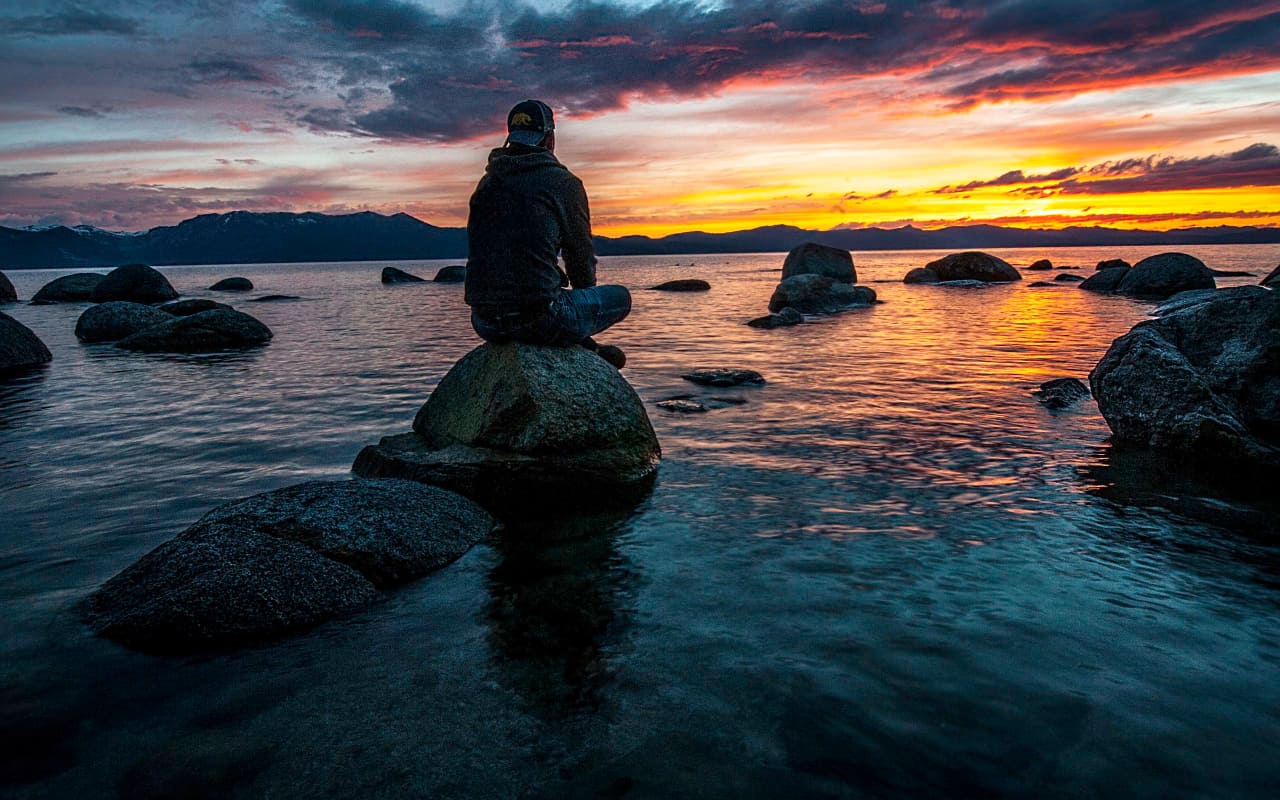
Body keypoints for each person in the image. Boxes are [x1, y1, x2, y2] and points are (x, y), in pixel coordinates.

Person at [464, 99, 630, 368]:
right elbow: (580, 257)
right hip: (539, 318)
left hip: (484, 322)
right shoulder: (563, 183)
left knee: (550, 291)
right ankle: (583, 344)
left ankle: (582, 343)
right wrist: (582, 302)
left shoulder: (486, 184)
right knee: (621, 297)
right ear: (549, 139)